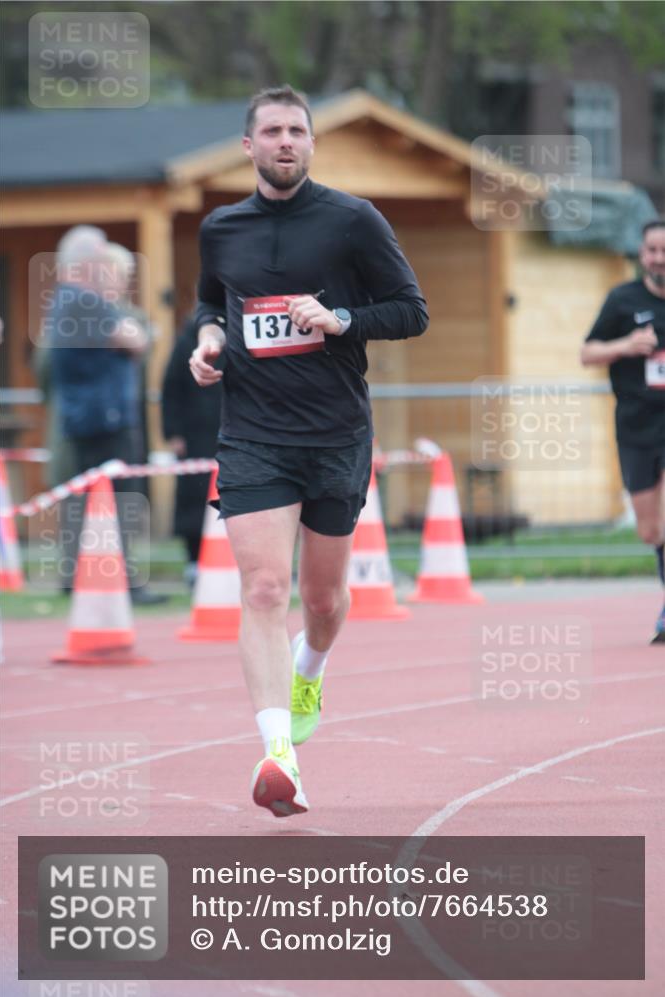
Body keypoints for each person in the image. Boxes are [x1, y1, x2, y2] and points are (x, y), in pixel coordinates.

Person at [189, 85, 428, 816]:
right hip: (252, 435)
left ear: (311, 142)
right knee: (264, 589)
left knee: (322, 601)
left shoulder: (353, 220)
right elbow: (210, 303)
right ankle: (278, 755)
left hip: (335, 436)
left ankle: (310, 670)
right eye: (272, 131)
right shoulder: (221, 228)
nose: (285, 141)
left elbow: (411, 311)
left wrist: (339, 317)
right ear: (249, 145)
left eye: (297, 130)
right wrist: (207, 340)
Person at [48, 227, 166, 604]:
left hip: (87, 418)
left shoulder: (66, 301)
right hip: (105, 420)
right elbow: (136, 340)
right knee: (116, 504)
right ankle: (122, 584)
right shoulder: (85, 301)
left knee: (90, 505)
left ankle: (90, 579)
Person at [581, 219, 665, 644]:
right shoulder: (623, 299)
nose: (659, 259)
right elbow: (587, 352)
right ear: (642, 254)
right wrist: (625, 345)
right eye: (653, 250)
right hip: (636, 426)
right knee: (652, 530)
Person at [161, 316, 223, 585]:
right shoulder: (186, 342)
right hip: (195, 437)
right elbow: (170, 389)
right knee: (193, 501)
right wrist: (173, 433)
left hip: (230, 432)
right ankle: (193, 561)